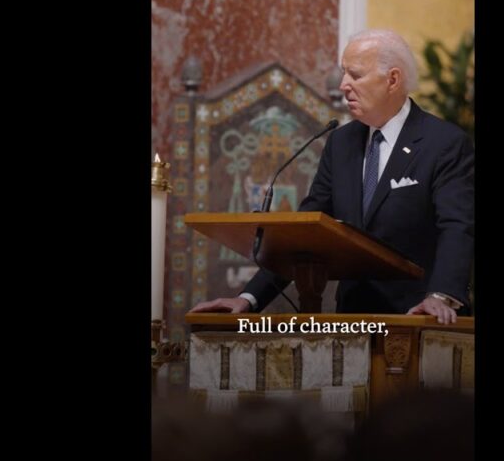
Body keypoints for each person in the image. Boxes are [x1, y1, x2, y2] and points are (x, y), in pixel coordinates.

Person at [190, 29, 474, 324]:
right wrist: (248, 299)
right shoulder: (341, 143)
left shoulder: (443, 143)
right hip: (351, 321)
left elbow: (457, 227)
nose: (343, 85)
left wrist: (441, 296)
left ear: (392, 79)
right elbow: (303, 234)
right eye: (343, 74)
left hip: (418, 318)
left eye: (355, 75)